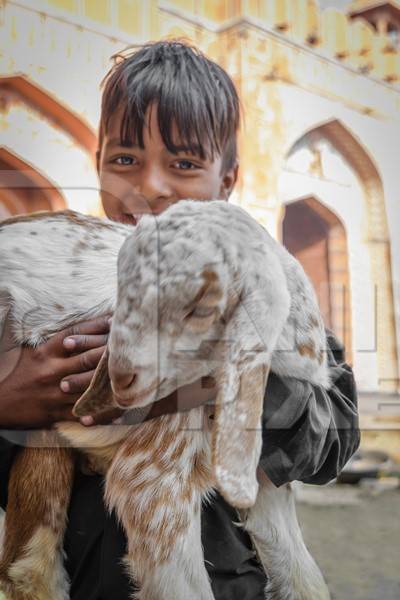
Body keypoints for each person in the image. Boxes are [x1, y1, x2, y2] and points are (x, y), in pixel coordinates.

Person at [0, 40, 360, 600]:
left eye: (185, 164)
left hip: (224, 577)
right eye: (124, 161)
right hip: (78, 573)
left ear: (227, 180)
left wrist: (234, 372)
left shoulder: (265, 290)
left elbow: (332, 440)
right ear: (98, 167)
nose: (149, 188)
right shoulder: (62, 291)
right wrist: (11, 400)